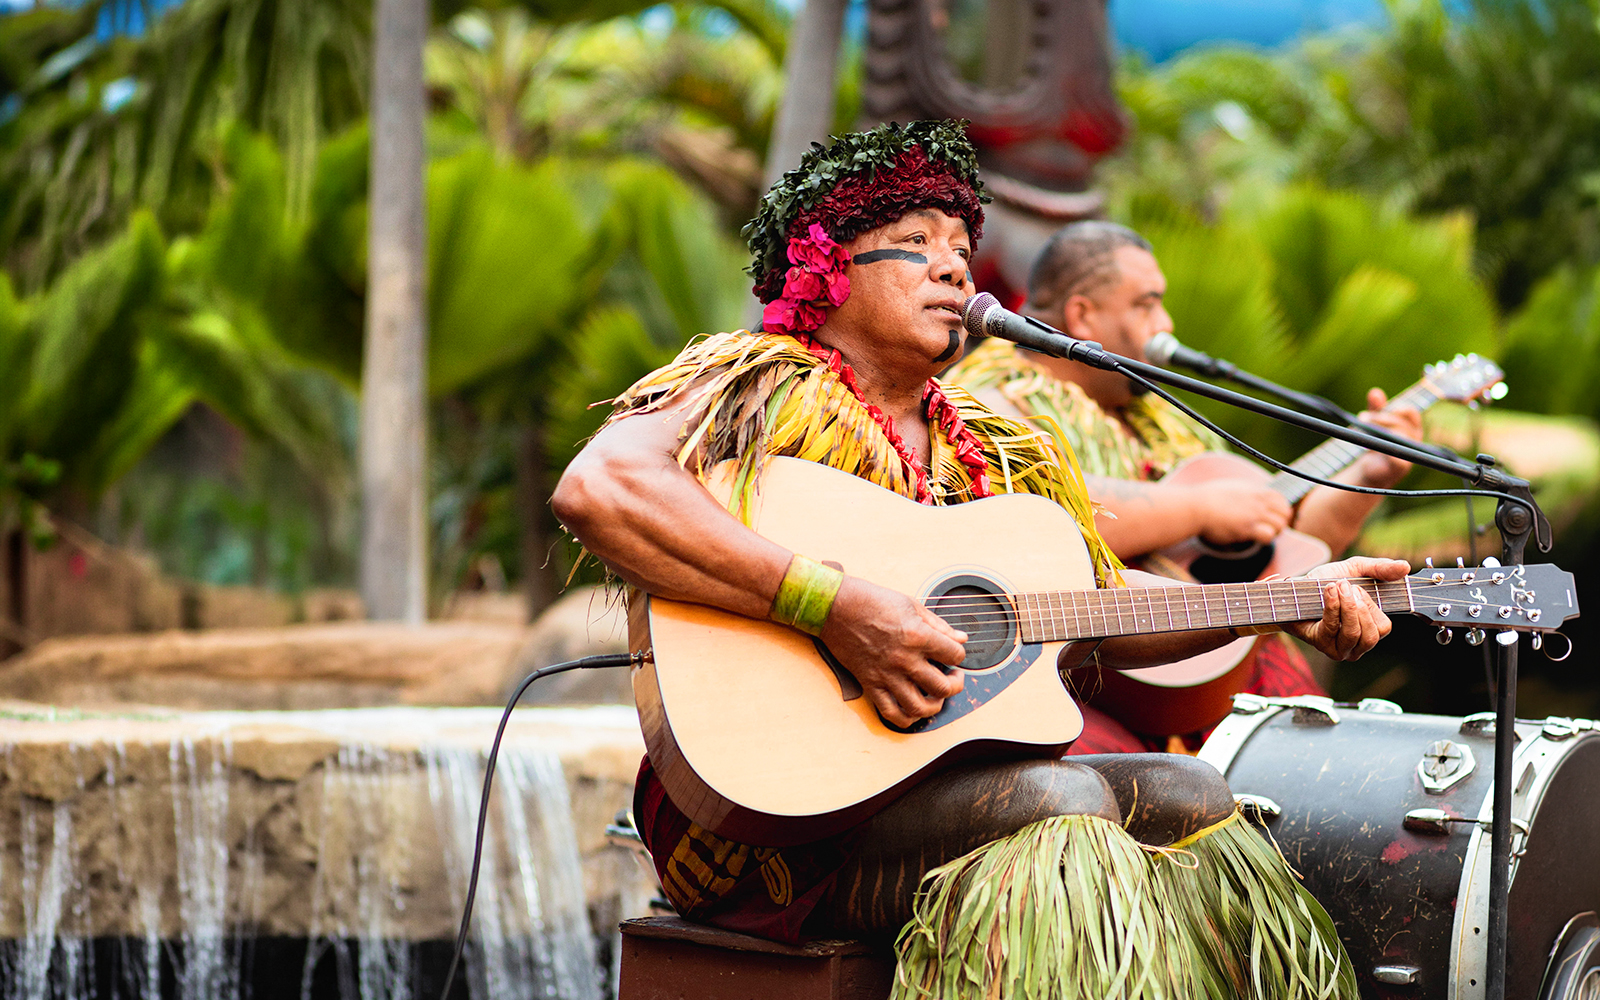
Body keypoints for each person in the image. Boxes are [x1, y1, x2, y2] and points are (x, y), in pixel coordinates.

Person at [554, 121, 1396, 998]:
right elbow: (602, 487)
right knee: (1058, 803)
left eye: (961, 246)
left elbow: (1103, 606)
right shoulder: (757, 383)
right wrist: (834, 608)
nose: (954, 267)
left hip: (939, 784)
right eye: (913, 244)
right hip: (765, 822)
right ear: (825, 269)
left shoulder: (998, 449)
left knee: (1191, 794)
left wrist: (1287, 597)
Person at [949, 221, 1423, 752]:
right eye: (1146, 304)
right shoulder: (987, 399)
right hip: (1086, 696)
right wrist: (1197, 509)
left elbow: (1285, 559)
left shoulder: (1164, 419)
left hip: (1226, 673)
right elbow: (1039, 518)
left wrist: (1366, 477)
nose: (1166, 323)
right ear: (1083, 315)